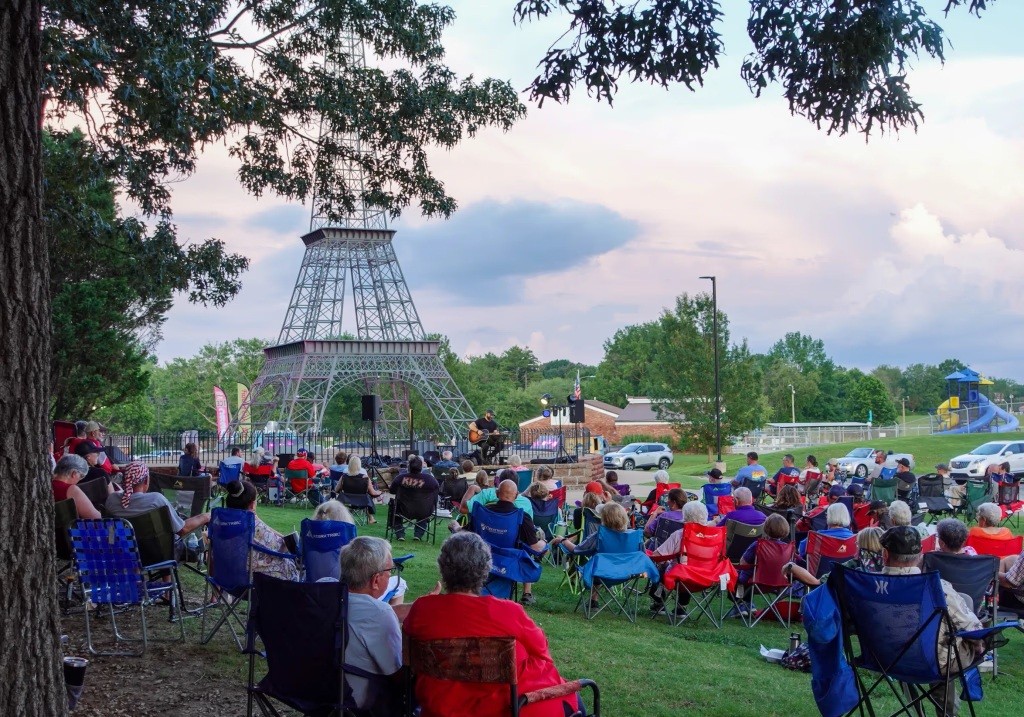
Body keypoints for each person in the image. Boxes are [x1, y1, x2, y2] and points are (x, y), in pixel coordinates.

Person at [403, 532, 580, 717]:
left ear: (442, 567)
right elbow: (542, 653)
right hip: (503, 708)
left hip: (440, 708)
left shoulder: (421, 610)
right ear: (486, 569)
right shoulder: (508, 612)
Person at [881, 526, 984, 716]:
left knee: (930, 644)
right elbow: (972, 629)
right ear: (920, 554)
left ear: (885, 554)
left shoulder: (865, 585)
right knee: (949, 643)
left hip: (885, 659)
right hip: (933, 662)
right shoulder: (937, 588)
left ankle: (920, 710)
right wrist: (980, 644)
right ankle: (946, 712)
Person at [338, 536, 404, 716]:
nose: (391, 575)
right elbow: (397, 675)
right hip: (357, 701)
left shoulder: (322, 592)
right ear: (376, 580)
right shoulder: (380, 614)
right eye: (390, 571)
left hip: (313, 689)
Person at [464, 479, 547, 605]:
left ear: (497, 494)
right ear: (517, 495)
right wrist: (545, 543)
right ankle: (526, 593)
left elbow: (466, 533)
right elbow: (535, 548)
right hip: (507, 564)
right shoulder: (521, 517)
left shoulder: (483, 511)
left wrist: (455, 526)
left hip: (481, 560)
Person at [550, 502, 632, 610]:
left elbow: (578, 549)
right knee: (600, 563)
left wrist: (563, 540)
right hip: (626, 573)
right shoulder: (632, 535)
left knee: (597, 565)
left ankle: (594, 601)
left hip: (601, 572)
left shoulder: (600, 535)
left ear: (604, 518)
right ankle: (594, 600)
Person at [105, 462, 210, 538]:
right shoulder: (156, 500)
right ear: (146, 480)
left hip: (125, 552)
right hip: (155, 555)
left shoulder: (112, 500)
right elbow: (182, 530)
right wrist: (205, 516)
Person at [223, 479, 299, 581]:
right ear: (252, 505)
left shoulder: (221, 522)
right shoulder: (255, 527)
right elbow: (280, 547)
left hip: (231, 578)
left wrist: (257, 518)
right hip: (263, 584)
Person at [784, 526, 886, 588]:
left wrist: (791, 566)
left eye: (857, 544)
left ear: (863, 548)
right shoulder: (893, 570)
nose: (855, 547)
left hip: (854, 617)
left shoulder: (853, 566)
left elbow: (817, 582)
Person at [389, 456, 440, 540]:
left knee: (394, 506)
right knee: (425, 505)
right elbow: (437, 492)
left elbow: (392, 491)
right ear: (422, 467)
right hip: (424, 510)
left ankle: (399, 534)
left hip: (403, 510)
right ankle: (418, 534)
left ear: (408, 467)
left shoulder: (400, 478)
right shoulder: (431, 480)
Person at [737, 513, 790, 587]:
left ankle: (740, 598)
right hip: (779, 581)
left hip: (754, 581)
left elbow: (743, 563)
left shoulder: (758, 545)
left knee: (735, 574)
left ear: (766, 528)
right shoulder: (788, 548)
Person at [52, 454, 108, 519]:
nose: (79, 480)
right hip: (70, 528)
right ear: (74, 473)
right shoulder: (71, 490)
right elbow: (96, 518)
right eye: (81, 476)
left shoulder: (45, 485)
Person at [464, 469, 534, 518]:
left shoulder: (487, 494)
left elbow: (464, 509)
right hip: (513, 537)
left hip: (486, 534)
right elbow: (528, 526)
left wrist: (471, 488)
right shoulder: (526, 503)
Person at [339, 455, 382, 525]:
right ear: (359, 464)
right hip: (362, 501)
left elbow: (336, 489)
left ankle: (347, 516)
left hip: (347, 500)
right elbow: (372, 492)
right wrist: (379, 492)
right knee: (368, 495)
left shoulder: (344, 475)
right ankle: (371, 518)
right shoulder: (364, 474)